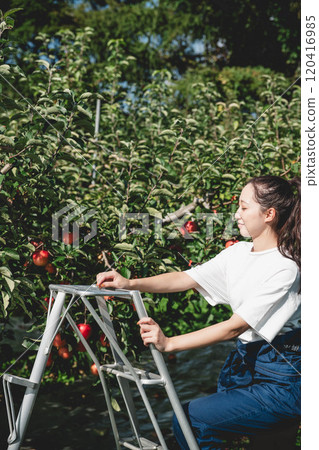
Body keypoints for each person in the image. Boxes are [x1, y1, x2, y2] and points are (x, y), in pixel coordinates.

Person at [96, 175, 301, 449]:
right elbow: (185, 278)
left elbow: (234, 327)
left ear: (269, 214)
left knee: (191, 420)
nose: (236, 214)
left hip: (282, 380)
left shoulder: (285, 267)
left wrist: (169, 343)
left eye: (243, 207)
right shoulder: (238, 253)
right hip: (247, 368)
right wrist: (130, 283)